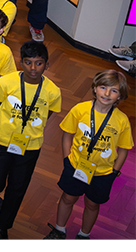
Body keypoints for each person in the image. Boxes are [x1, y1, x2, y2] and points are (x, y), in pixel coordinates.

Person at [0, 40, 62, 239]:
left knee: (17, 188)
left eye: (39, 63)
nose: (33, 68)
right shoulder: (6, 82)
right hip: (2, 141)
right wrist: (4, 125)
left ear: (47, 65)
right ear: (21, 62)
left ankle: (3, 226)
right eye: (28, 62)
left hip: (30, 146)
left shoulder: (53, 91)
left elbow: (49, 115)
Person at [44, 70, 131, 240]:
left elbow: (124, 149)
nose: (106, 93)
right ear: (95, 88)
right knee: (68, 197)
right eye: (103, 87)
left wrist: (114, 172)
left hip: (103, 174)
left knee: (92, 204)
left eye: (113, 90)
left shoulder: (122, 120)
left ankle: (84, 235)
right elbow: (67, 135)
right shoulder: (80, 109)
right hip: (75, 166)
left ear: (120, 96)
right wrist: (67, 159)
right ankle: (59, 230)